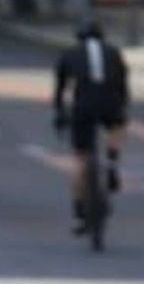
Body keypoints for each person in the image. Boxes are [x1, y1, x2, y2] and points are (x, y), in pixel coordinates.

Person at [53, 21, 130, 232]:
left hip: (83, 106)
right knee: (116, 127)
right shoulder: (113, 52)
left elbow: (61, 89)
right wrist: (122, 109)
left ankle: (79, 211)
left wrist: (60, 114)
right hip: (110, 102)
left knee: (81, 157)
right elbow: (123, 84)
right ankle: (112, 161)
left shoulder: (70, 53)